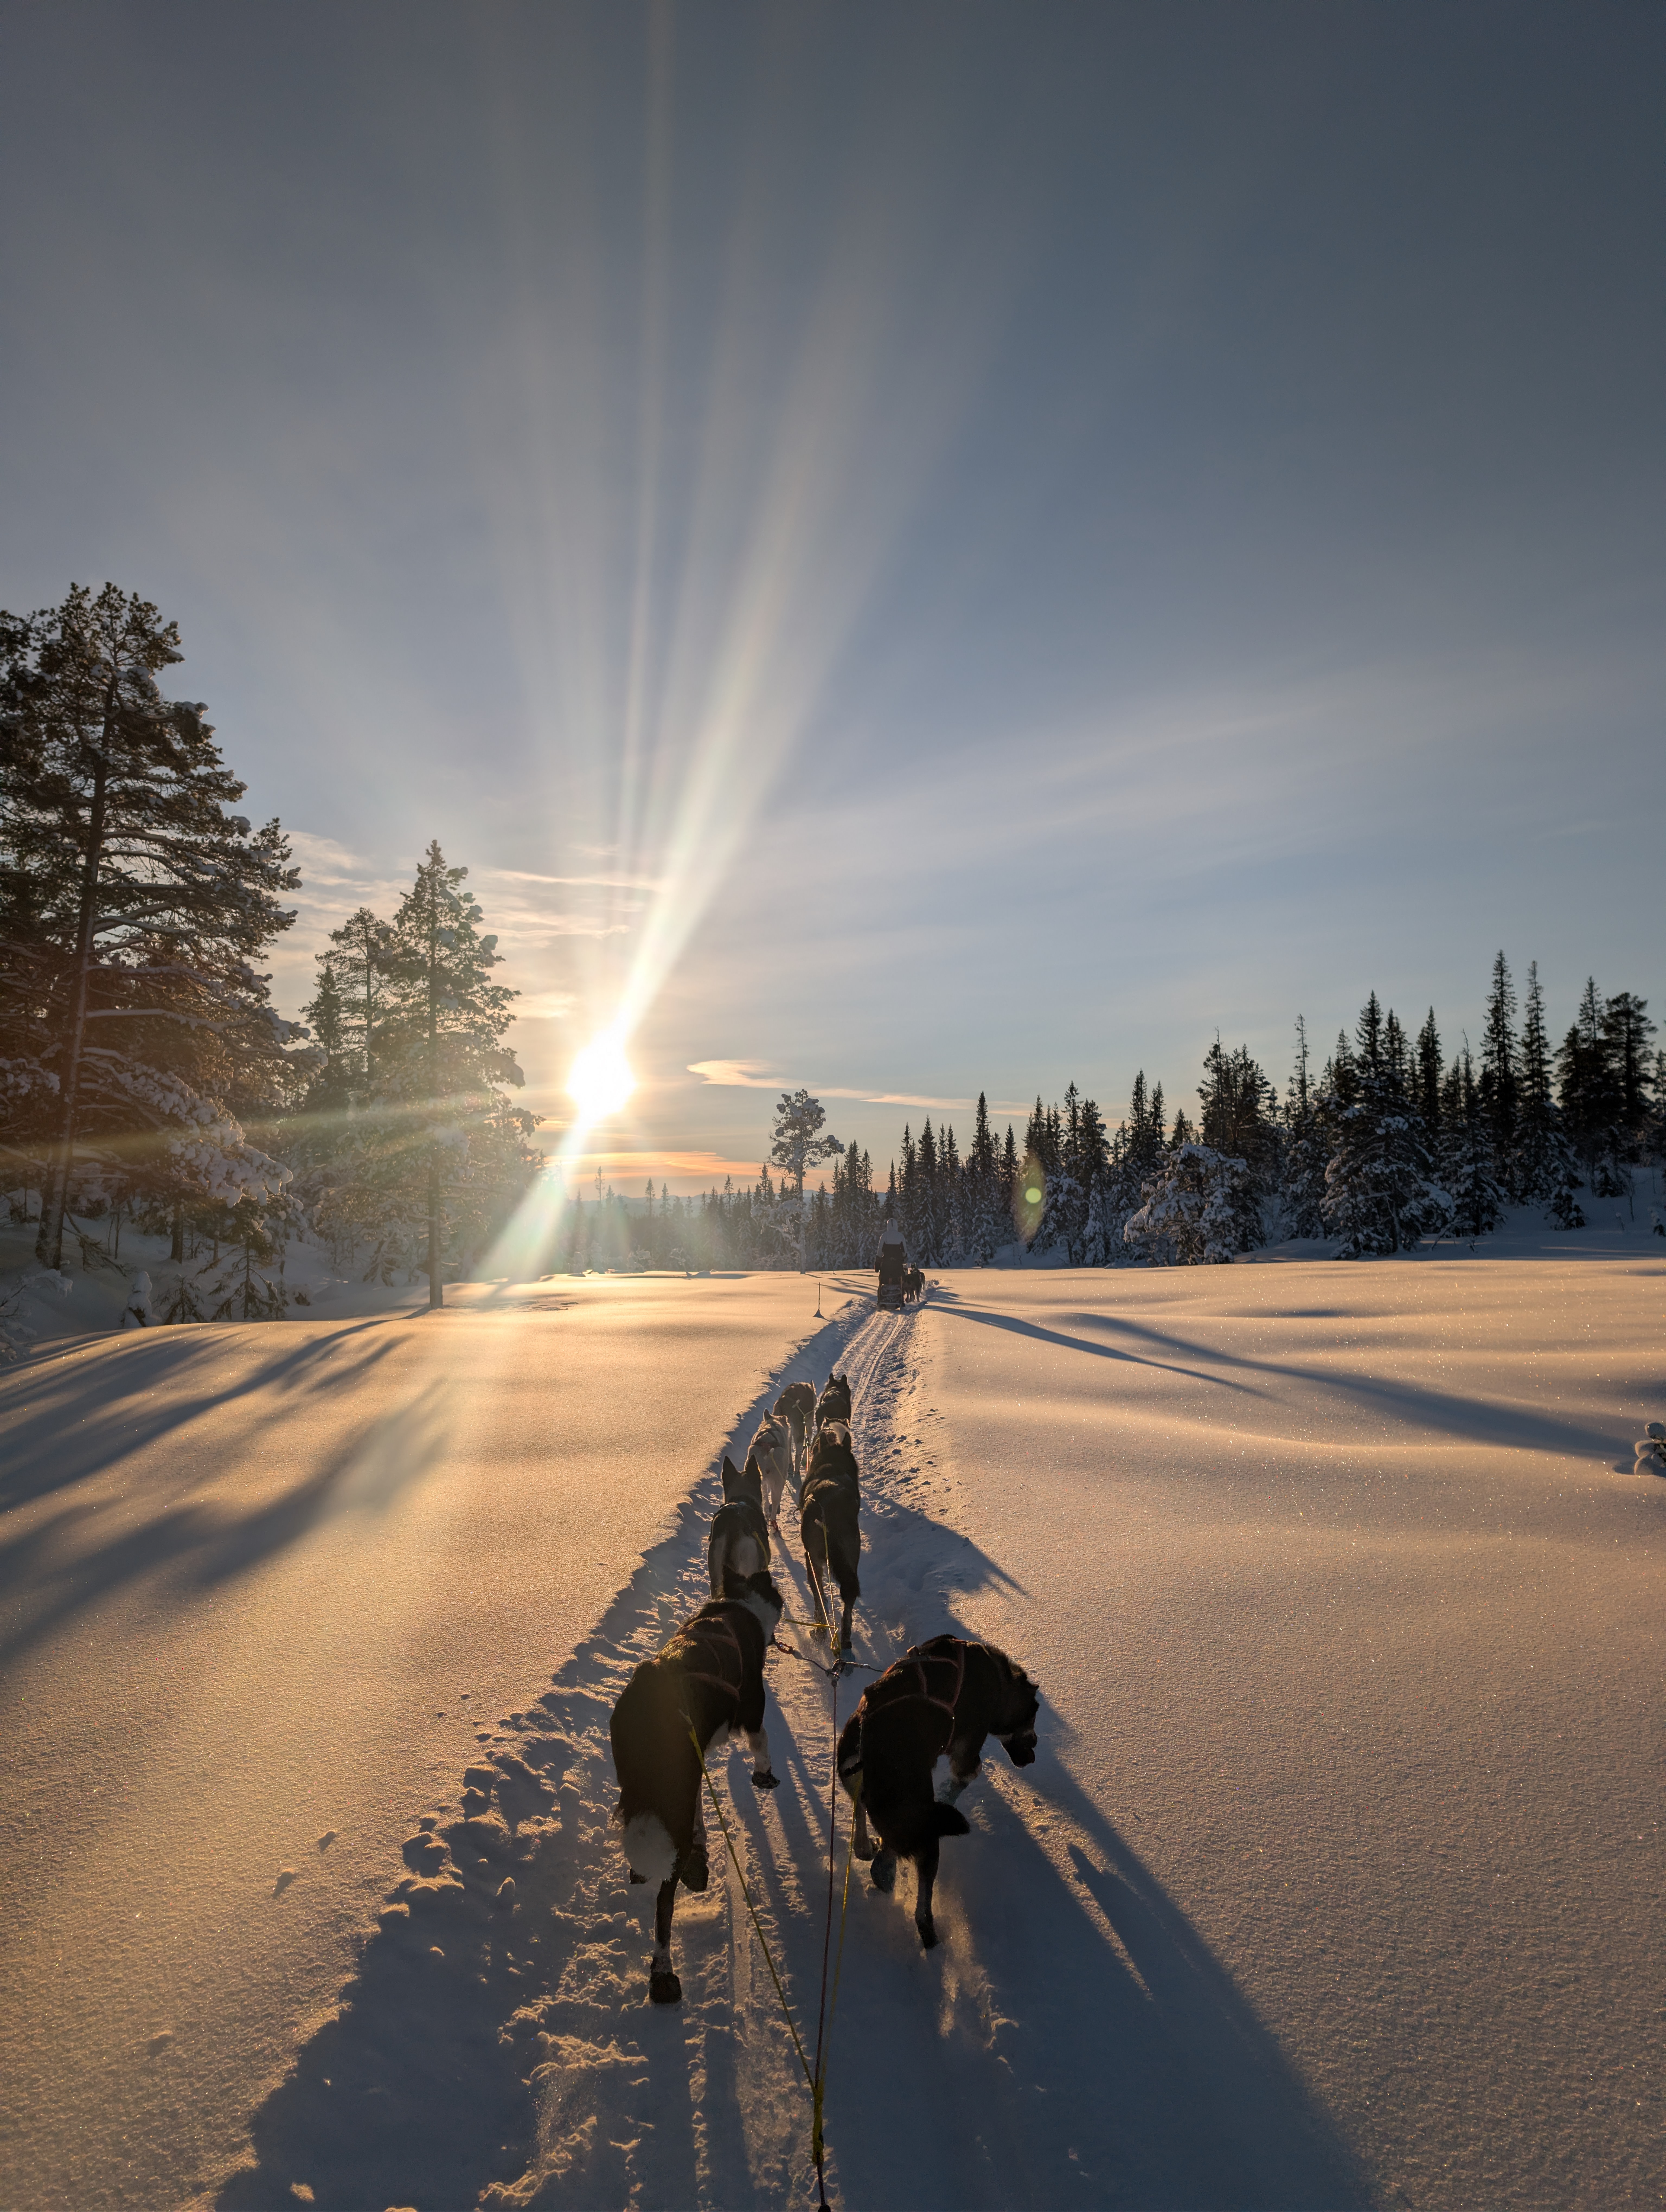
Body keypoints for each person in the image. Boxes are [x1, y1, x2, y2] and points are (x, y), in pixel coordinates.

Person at [876, 1216, 906, 1289]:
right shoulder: (901, 1236)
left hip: (886, 1264)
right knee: (900, 1277)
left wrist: (877, 1264)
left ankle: (883, 1294)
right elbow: (905, 1252)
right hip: (898, 1264)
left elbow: (880, 1252)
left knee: (883, 1278)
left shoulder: (884, 1236)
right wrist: (903, 1259)